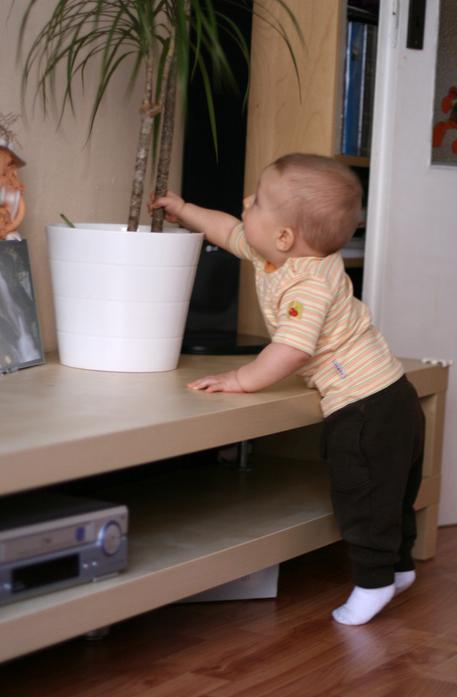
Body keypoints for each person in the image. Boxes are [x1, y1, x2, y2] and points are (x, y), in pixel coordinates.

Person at [150, 153, 425, 626]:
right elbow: (224, 229)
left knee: (363, 500)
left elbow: (293, 349)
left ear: (283, 236)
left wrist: (241, 379)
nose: (245, 202)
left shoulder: (309, 284)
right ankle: (399, 568)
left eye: (256, 201)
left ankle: (374, 582)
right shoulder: (273, 253)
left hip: (364, 409)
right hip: (393, 395)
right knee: (391, 494)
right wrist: (184, 209)